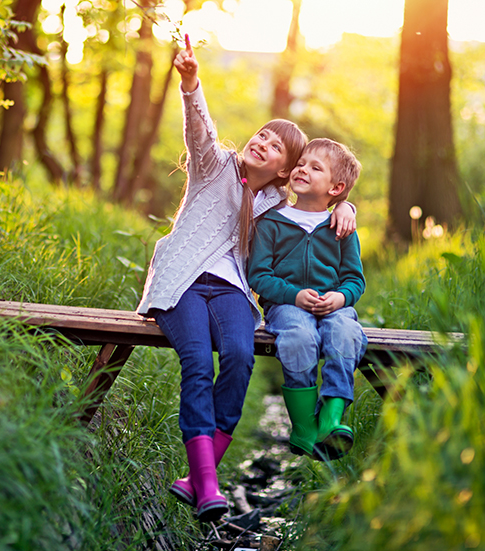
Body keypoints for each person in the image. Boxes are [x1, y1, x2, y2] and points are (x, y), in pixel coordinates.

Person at [136, 36, 356, 522]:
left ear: (285, 169)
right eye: (262, 135)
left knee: (238, 357)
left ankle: (198, 477)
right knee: (197, 361)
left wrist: (348, 206)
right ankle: (209, 485)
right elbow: (200, 130)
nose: (262, 143)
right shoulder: (214, 167)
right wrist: (191, 82)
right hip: (184, 285)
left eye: (276, 146)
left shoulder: (276, 203)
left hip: (232, 291)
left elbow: (316, 205)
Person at [247, 138, 368, 462]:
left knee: (346, 334)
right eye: (301, 163)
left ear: (336, 187)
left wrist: (341, 298)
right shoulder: (271, 222)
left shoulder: (342, 226)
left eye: (316, 167)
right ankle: (303, 427)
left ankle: (331, 419)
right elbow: (258, 275)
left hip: (334, 309)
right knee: (300, 337)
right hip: (286, 306)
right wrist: (293, 295)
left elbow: (355, 279)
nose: (303, 169)